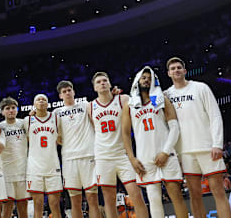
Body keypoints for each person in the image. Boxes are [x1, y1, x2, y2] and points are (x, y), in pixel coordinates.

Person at [164, 57, 231, 218]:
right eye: (173, 68)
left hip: (208, 147)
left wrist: (217, 144)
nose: (176, 70)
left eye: (179, 67)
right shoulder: (166, 95)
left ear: (185, 71)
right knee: (194, 195)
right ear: (168, 73)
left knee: (218, 191)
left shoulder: (200, 88)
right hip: (184, 151)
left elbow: (215, 116)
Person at [121, 67, 187, 218]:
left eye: (149, 78)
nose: (146, 80)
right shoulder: (129, 105)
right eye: (143, 78)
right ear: (137, 81)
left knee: (176, 196)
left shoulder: (162, 99)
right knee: (154, 199)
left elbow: (175, 127)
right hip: (145, 158)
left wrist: (166, 152)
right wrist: (132, 158)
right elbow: (125, 134)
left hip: (166, 154)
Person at [88, 72, 149, 218]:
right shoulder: (90, 107)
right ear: (95, 88)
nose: (102, 83)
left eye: (105, 80)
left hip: (123, 155)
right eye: (98, 82)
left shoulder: (123, 99)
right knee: (109, 200)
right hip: (103, 157)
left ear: (110, 84)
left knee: (136, 195)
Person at [53, 81, 99, 218]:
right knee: (75, 202)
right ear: (60, 96)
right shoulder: (56, 113)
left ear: (73, 92)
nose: (67, 93)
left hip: (88, 155)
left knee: (92, 200)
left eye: (69, 90)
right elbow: (54, 136)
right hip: (69, 159)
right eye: (64, 91)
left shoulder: (86, 106)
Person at [27, 94, 62, 218]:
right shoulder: (27, 121)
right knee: (38, 204)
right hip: (34, 167)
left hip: (53, 166)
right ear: (34, 104)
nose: (41, 101)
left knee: (55, 204)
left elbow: (61, 139)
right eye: (38, 99)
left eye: (44, 100)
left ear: (48, 104)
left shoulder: (56, 118)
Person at [0, 97, 29, 218]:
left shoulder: (24, 123)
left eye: (13, 108)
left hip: (23, 169)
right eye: (7, 108)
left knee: (23, 204)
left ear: (17, 109)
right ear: (2, 112)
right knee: (7, 205)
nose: (11, 110)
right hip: (6, 171)